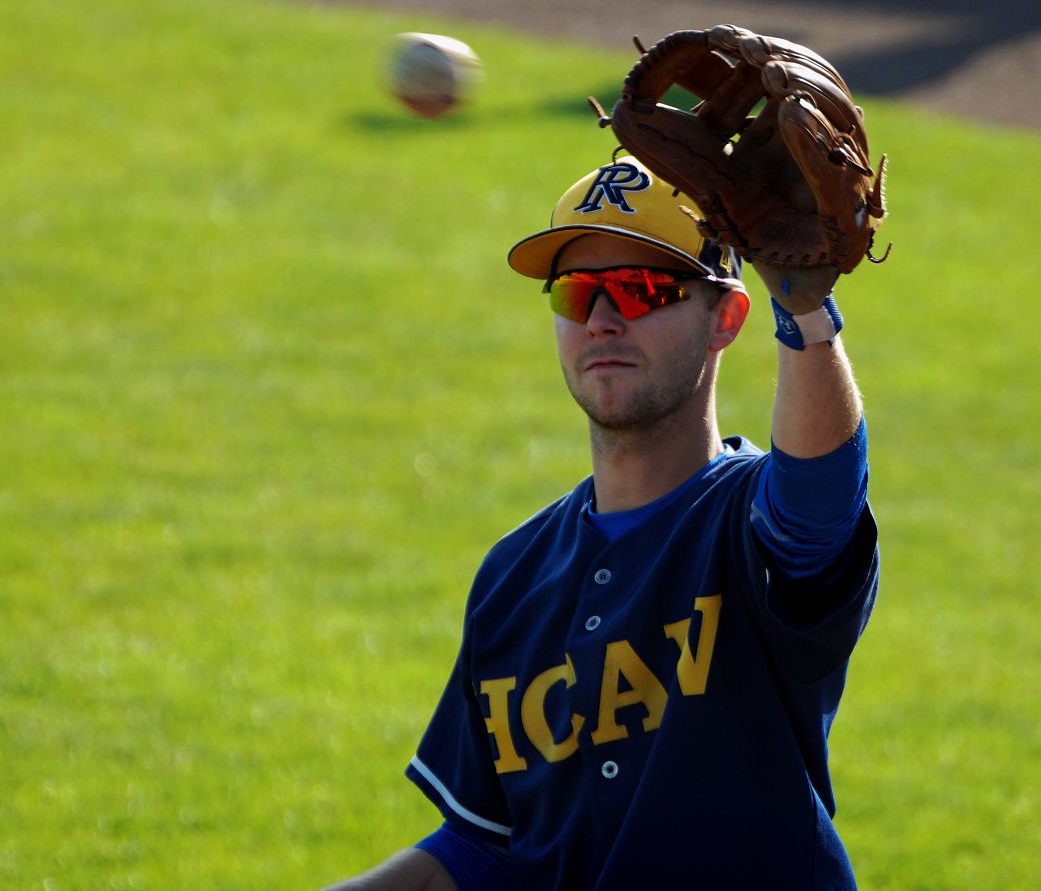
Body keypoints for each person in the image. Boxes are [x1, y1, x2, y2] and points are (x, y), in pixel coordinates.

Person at [320, 154, 880, 890]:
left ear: (726, 317)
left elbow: (816, 508)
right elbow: (488, 846)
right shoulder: (513, 576)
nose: (602, 319)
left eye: (642, 289)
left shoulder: (748, 522)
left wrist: (807, 317)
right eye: (576, 292)